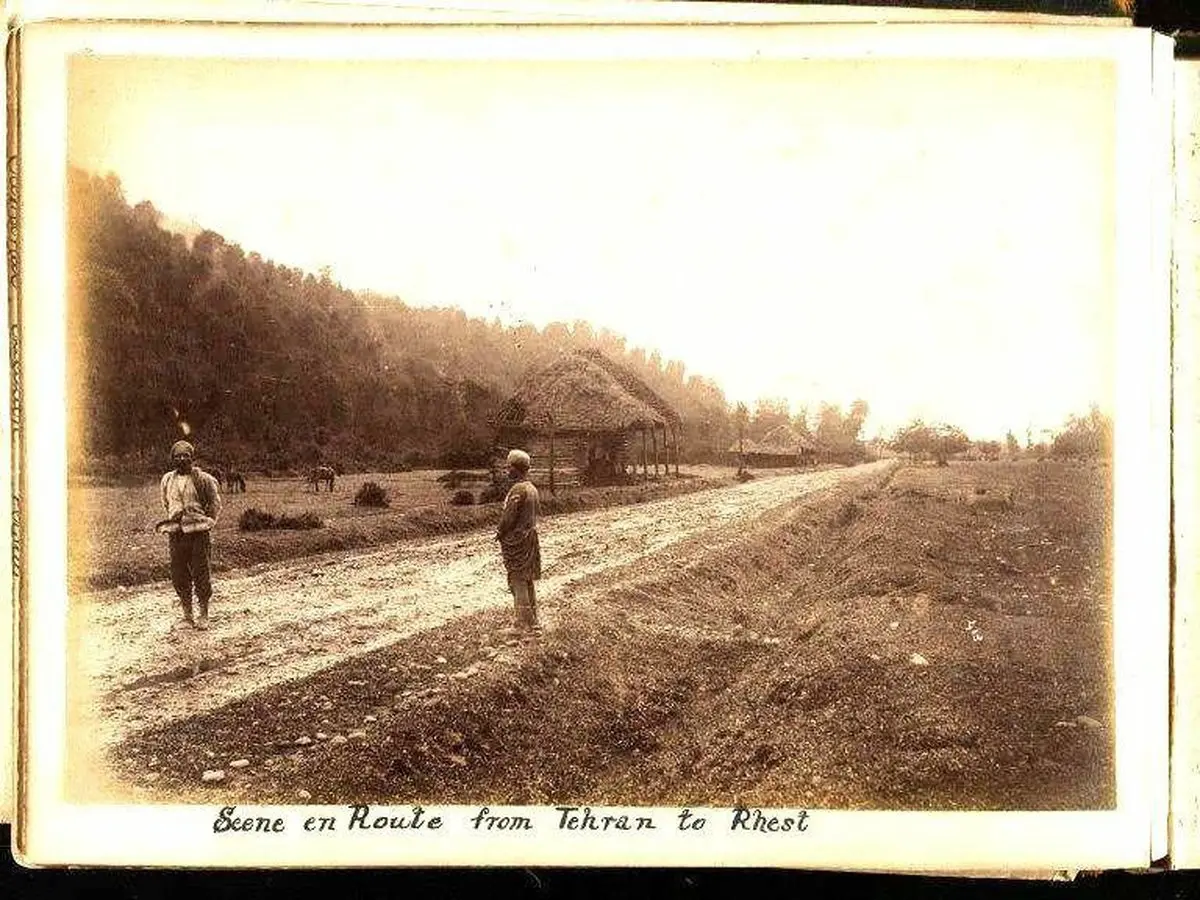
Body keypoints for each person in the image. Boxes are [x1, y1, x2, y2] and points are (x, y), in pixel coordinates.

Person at [156, 440, 222, 630]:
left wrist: (209, 521)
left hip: (198, 532)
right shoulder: (167, 480)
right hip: (176, 533)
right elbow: (166, 503)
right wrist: (175, 520)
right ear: (173, 459)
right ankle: (187, 616)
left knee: (201, 573)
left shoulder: (204, 479)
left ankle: (204, 615)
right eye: (177, 456)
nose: (182, 459)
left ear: (192, 458)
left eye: (185, 456)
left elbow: (215, 503)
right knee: (179, 574)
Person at [495, 448, 542, 631]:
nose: (507, 471)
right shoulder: (532, 488)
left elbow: (509, 517)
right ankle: (533, 620)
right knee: (527, 578)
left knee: (517, 579)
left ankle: (522, 623)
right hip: (530, 537)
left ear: (516, 468)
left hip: (517, 540)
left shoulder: (518, 489)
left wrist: (500, 532)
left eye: (509, 467)